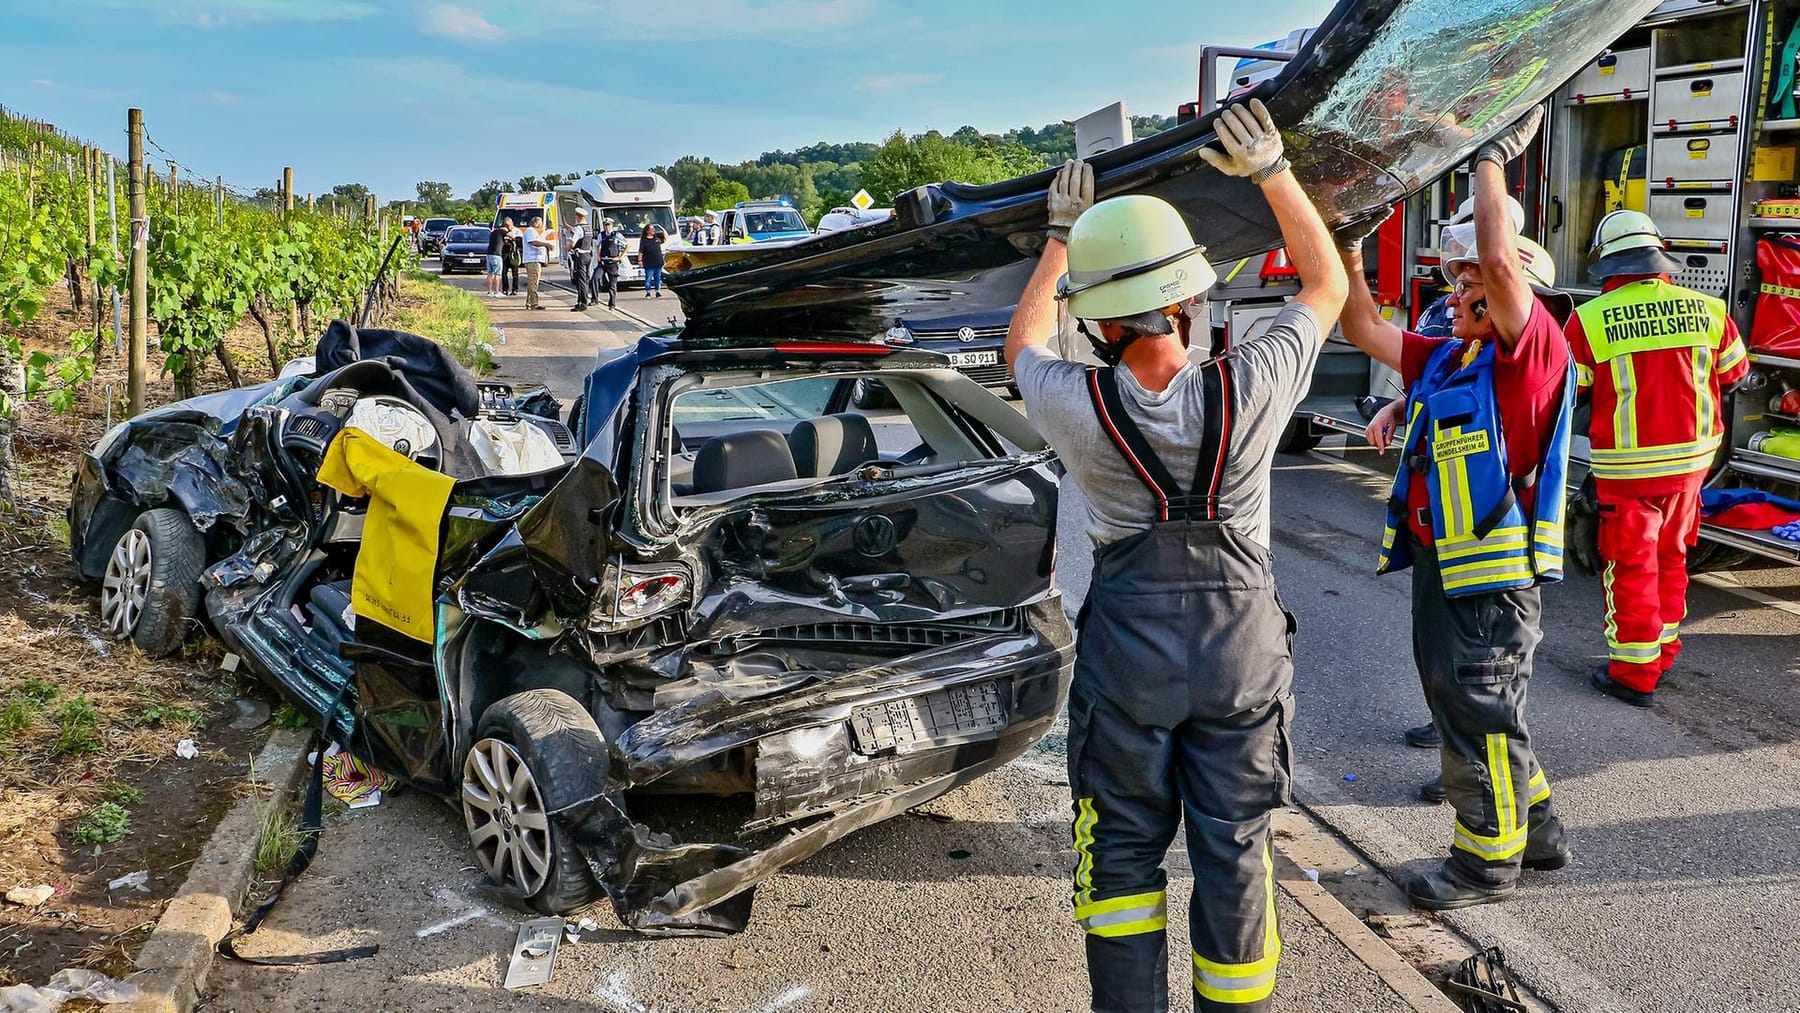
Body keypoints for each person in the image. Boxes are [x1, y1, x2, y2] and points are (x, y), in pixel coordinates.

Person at [1006, 100, 1347, 1013]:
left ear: (1099, 321)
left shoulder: (1072, 402)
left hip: (1128, 664)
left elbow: (1022, 345)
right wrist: (1273, 170)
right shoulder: (1256, 381)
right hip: (1241, 659)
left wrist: (1057, 240)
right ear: (1189, 302)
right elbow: (1326, 289)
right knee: (1235, 843)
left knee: (1119, 850)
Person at [1342, 108, 1573, 911]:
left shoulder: (1532, 349)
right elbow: (1360, 323)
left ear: (1515, 287)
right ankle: (1535, 829)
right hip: (1450, 569)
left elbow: (1503, 262)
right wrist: (1345, 229)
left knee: (1478, 712)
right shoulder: (1454, 352)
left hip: (1492, 578)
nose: (1460, 285)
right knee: (1473, 704)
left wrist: (1488, 161)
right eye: (1458, 275)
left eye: (1473, 277)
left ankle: (1484, 867)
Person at [1565, 211, 1750, 706]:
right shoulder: (1709, 309)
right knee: (1671, 555)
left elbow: (1571, 392)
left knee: (1629, 566)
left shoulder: (1589, 319)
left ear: (1607, 262)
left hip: (1628, 470)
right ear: (1658, 253)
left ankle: (1634, 672)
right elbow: (1734, 376)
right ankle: (1662, 651)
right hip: (1693, 464)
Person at [521, 216, 553, 310]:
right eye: (541, 223)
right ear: (538, 223)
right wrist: (546, 244)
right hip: (533, 260)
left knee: (532, 282)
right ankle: (534, 303)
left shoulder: (532, 231)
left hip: (534, 259)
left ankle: (529, 303)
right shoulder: (530, 231)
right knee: (533, 283)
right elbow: (533, 242)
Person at [565, 207, 594, 312]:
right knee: (585, 279)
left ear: (577, 216)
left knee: (580, 280)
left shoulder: (578, 228)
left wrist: (567, 246)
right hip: (588, 254)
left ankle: (582, 302)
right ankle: (582, 300)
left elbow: (573, 243)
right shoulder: (588, 227)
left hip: (580, 256)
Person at [594, 219, 625, 309]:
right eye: (605, 225)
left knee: (612, 284)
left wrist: (620, 257)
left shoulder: (617, 235)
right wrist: (598, 255)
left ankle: (612, 304)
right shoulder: (601, 234)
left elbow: (627, 245)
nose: (606, 227)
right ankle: (595, 299)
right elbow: (597, 245)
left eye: (608, 225)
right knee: (595, 278)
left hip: (612, 262)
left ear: (612, 225)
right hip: (603, 261)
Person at [640, 224, 666, 298]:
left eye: (654, 229)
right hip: (649, 262)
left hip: (658, 261)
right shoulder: (644, 240)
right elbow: (640, 251)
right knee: (648, 278)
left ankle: (658, 291)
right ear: (647, 231)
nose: (653, 230)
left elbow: (666, 237)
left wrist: (661, 228)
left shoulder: (657, 238)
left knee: (658, 277)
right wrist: (640, 261)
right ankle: (648, 292)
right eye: (652, 229)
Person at [484, 218, 506, 298]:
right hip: (497, 255)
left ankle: (489, 292)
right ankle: (497, 292)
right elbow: (512, 236)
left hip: (489, 254)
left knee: (490, 273)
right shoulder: (503, 232)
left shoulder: (493, 232)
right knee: (497, 274)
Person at [500, 222, 523, 297]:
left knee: (515, 273)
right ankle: (505, 289)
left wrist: (513, 238)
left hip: (514, 254)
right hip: (505, 253)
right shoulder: (502, 231)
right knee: (504, 273)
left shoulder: (517, 231)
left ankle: (515, 289)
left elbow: (520, 242)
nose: (507, 227)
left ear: (511, 224)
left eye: (508, 225)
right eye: (506, 225)